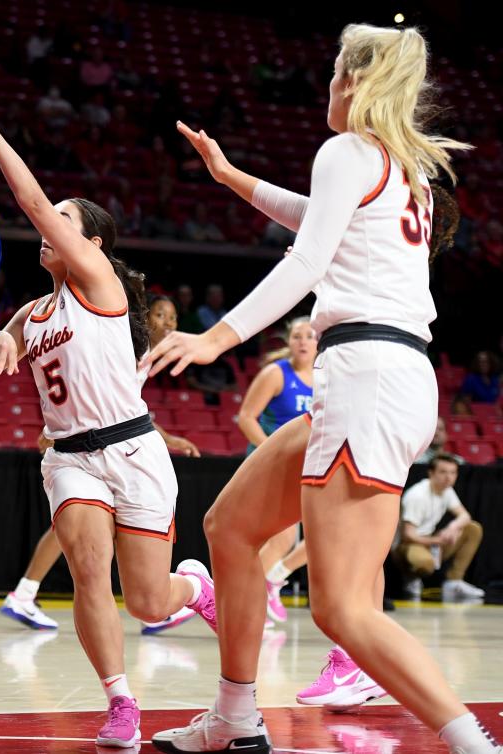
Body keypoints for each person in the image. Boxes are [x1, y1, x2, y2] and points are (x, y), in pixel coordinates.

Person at [146, 24, 500, 754]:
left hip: (367, 376)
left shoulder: (345, 151)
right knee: (232, 528)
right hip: (386, 376)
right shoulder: (402, 170)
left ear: (358, 82)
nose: (327, 84)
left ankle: (471, 742)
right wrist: (232, 178)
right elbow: (318, 220)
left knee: (342, 609)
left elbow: (308, 261)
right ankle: (236, 716)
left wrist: (216, 338)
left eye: (336, 70)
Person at [0, 72, 216, 749]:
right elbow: (19, 327)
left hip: (134, 450)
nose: (50, 228)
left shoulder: (99, 285)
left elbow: (32, 203)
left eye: (66, 223)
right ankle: (121, 703)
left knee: (147, 601)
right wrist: (3, 335)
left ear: (94, 246)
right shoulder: (37, 307)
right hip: (69, 456)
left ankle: (192, 589)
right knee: (85, 570)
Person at [0, 296, 202, 636]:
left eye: (173, 317)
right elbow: (88, 390)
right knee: (93, 526)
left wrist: (167, 437)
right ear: (144, 317)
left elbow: (125, 408)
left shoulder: (145, 354)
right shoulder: (125, 343)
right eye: (160, 314)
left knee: (85, 525)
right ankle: (27, 591)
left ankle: (27, 592)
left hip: (104, 443)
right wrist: (59, 429)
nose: (168, 323)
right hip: (89, 446)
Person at [237, 318, 314, 624]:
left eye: (310, 336)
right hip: (270, 464)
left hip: (307, 467)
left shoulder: (327, 378)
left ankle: (272, 580)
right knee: (282, 538)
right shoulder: (276, 373)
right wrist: (274, 450)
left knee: (323, 536)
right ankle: (248, 598)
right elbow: (246, 418)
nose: (304, 341)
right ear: (288, 342)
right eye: (297, 336)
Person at [395, 454, 485, 601]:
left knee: (473, 529)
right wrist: (437, 541)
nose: (448, 477)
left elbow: (465, 516)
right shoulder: (417, 495)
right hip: (408, 545)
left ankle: (454, 582)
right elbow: (408, 535)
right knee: (425, 563)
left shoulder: (447, 491)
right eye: (443, 472)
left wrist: (452, 527)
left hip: (430, 540)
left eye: (452, 472)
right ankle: (411, 578)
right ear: (431, 473)